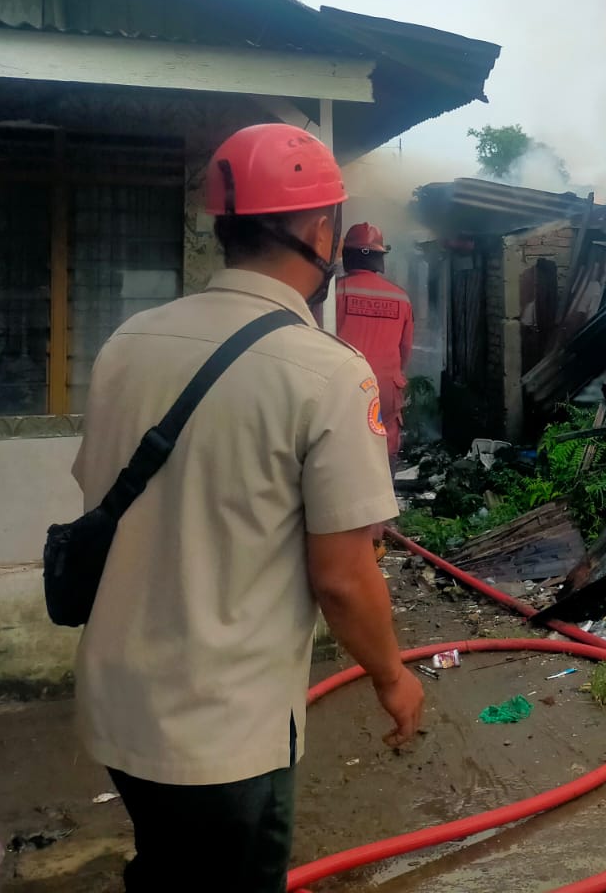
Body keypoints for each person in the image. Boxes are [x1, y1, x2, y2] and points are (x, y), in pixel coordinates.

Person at [70, 123, 424, 892]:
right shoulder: (325, 373)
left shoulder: (129, 342)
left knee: (166, 871)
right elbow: (341, 576)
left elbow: (101, 494)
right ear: (318, 228)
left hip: (118, 710)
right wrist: (392, 676)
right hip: (222, 735)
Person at [333, 222, 413, 468]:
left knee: (341, 449)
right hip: (386, 391)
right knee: (384, 450)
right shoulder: (400, 297)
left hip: (344, 388)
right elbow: (405, 351)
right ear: (379, 258)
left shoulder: (334, 293)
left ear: (348, 255)